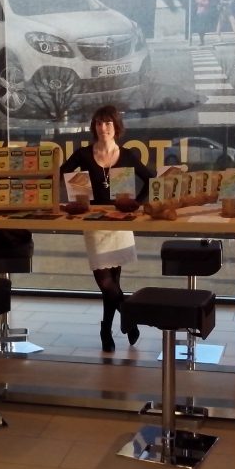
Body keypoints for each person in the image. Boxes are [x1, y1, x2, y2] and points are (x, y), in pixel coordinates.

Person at [60, 105, 154, 352]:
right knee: (105, 282)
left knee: (113, 283)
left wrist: (136, 204)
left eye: (108, 123)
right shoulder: (83, 154)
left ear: (116, 127)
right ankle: (130, 317)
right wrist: (76, 193)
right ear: (94, 127)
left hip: (120, 222)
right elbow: (61, 173)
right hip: (94, 223)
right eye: (99, 123)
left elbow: (151, 179)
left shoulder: (127, 155)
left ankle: (106, 330)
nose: (103, 128)